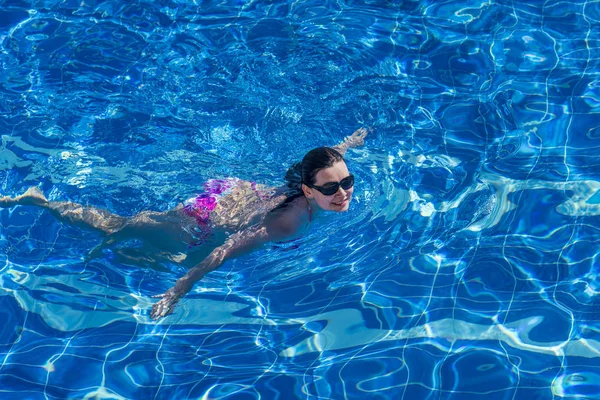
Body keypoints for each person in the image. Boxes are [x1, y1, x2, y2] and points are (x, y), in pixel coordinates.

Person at [0, 127, 369, 319]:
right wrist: (176, 292)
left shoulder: (314, 188)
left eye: (347, 182)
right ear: (307, 190)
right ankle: (40, 200)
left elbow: (329, 159)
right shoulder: (290, 222)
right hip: (211, 215)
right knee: (119, 225)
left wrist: (347, 144)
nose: (344, 193)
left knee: (160, 251)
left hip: (235, 196)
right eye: (332, 187)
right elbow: (226, 250)